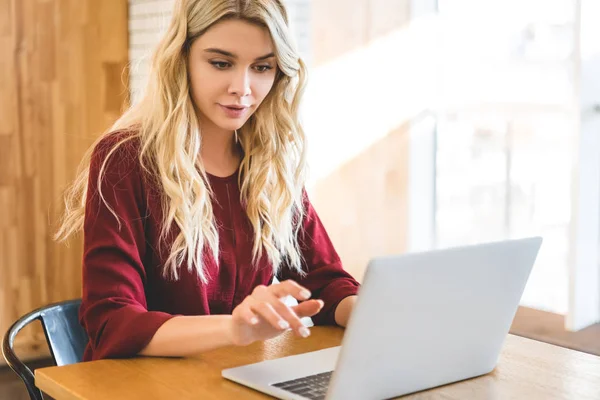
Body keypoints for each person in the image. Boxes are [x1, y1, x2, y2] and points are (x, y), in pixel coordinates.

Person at [56, 0, 359, 362]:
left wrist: (368, 313)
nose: (243, 88)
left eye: (262, 67)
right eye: (221, 63)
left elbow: (325, 282)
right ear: (181, 59)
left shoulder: (268, 163)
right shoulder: (125, 158)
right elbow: (113, 321)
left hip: (230, 376)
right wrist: (235, 328)